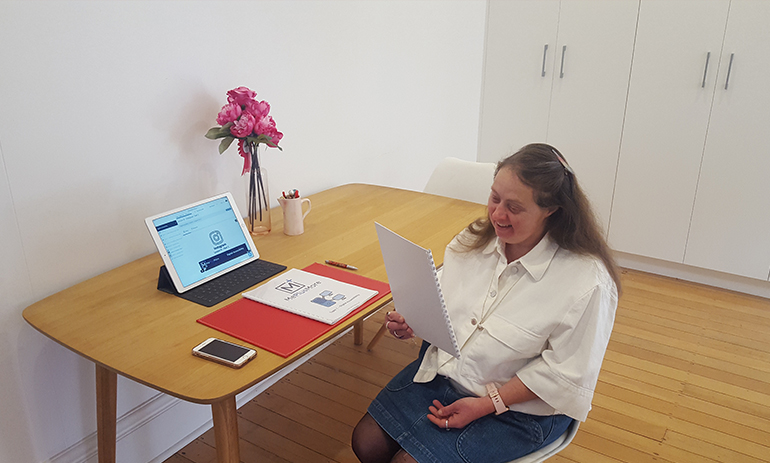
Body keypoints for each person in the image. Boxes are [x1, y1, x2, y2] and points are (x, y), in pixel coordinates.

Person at [351, 143, 621, 463]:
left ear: (551, 209)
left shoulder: (586, 282)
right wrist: (413, 320)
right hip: (448, 372)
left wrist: (486, 404)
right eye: (494, 198)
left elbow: (564, 376)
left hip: (520, 409)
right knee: (366, 442)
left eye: (514, 207)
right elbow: (445, 301)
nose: (496, 214)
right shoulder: (473, 241)